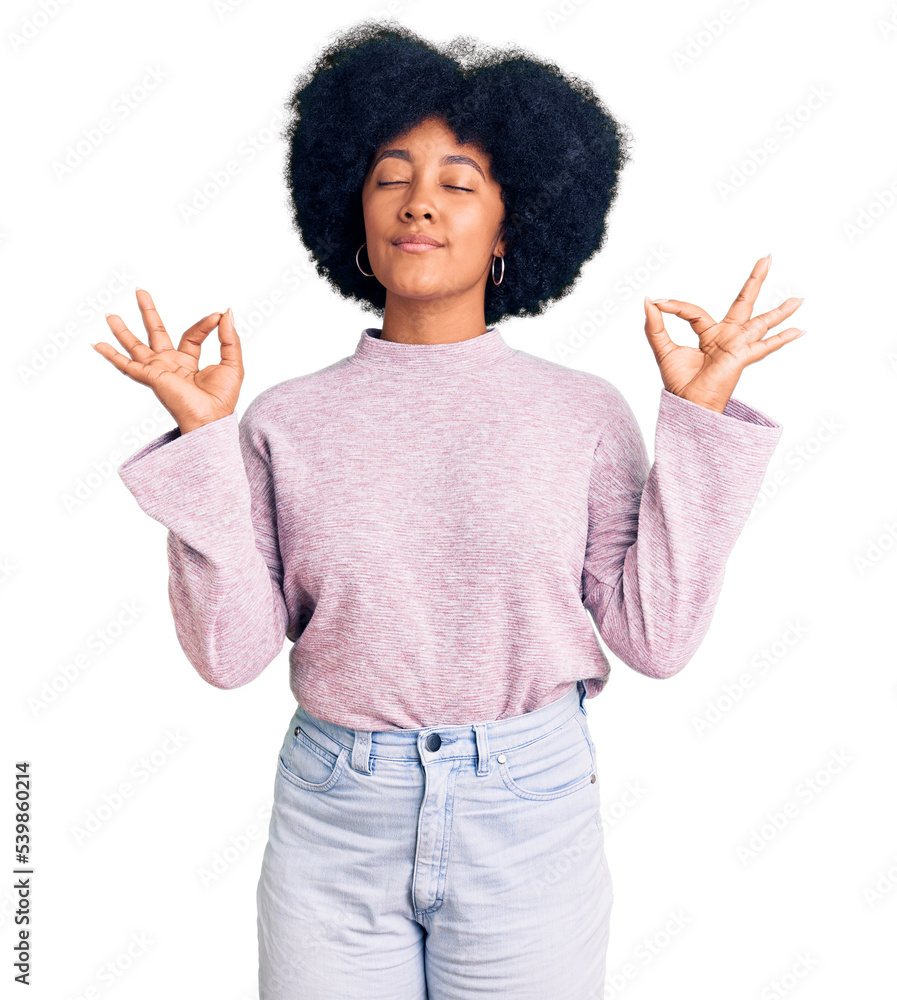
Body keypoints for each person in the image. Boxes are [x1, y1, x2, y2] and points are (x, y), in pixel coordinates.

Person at [92, 20, 799, 1000]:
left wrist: (701, 420)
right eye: (391, 177)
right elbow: (228, 655)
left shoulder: (581, 413)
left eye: (458, 183)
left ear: (512, 226)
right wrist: (203, 441)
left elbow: (656, 638)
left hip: (530, 811)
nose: (419, 201)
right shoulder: (284, 422)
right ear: (352, 210)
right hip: (335, 818)